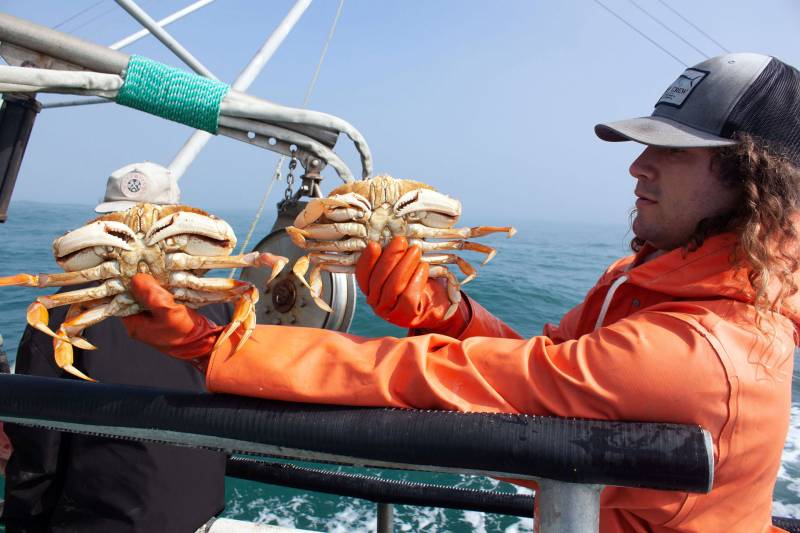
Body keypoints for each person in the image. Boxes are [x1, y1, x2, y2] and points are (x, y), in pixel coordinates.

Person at [123, 52, 800, 532]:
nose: (637, 164)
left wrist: (218, 344)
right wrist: (445, 311)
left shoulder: (701, 354)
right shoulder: (657, 281)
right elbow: (548, 366)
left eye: (674, 151)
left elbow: (455, 381)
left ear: (751, 178)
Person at [2, 162, 230, 533]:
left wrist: (20, 522)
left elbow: (37, 445)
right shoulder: (220, 306)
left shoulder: (57, 315)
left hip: (99, 522)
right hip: (196, 513)